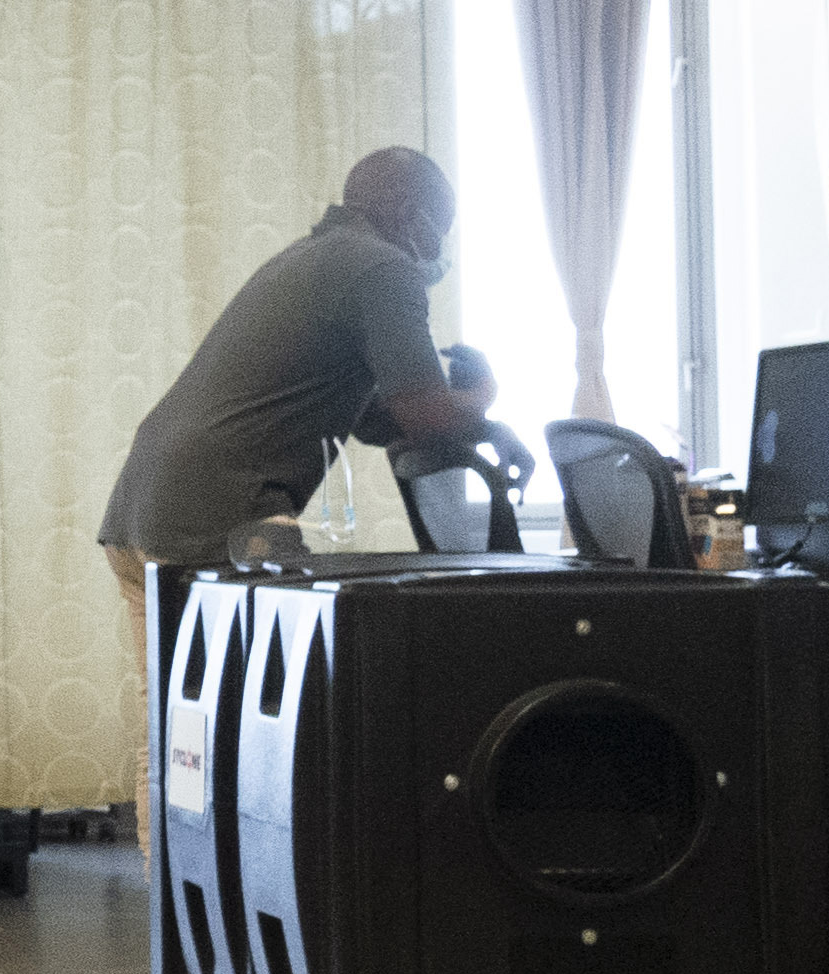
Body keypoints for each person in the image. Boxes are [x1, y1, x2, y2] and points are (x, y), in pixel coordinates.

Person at [94, 147, 523, 669]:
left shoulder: (308, 259)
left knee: (176, 735)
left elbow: (381, 423)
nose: (439, 250)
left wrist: (487, 429)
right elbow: (426, 418)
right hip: (216, 521)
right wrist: (484, 393)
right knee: (292, 706)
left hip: (143, 511)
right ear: (408, 211)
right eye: (442, 228)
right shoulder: (383, 268)